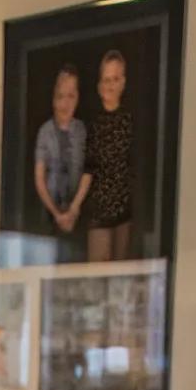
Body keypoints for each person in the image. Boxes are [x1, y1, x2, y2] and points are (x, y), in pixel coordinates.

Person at [78, 49, 134, 262]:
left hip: (124, 210)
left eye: (116, 79)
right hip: (98, 210)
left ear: (123, 82)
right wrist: (75, 207)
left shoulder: (130, 118)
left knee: (121, 280)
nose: (110, 85)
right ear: (99, 84)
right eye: (106, 79)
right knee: (98, 279)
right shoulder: (92, 121)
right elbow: (88, 167)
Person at [33, 65, 87, 256]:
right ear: (54, 99)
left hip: (78, 214)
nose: (65, 103)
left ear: (77, 98)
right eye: (61, 96)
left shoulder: (81, 131)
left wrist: (73, 209)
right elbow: (39, 178)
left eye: (71, 97)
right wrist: (57, 213)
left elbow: (88, 172)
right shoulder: (45, 132)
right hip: (50, 216)